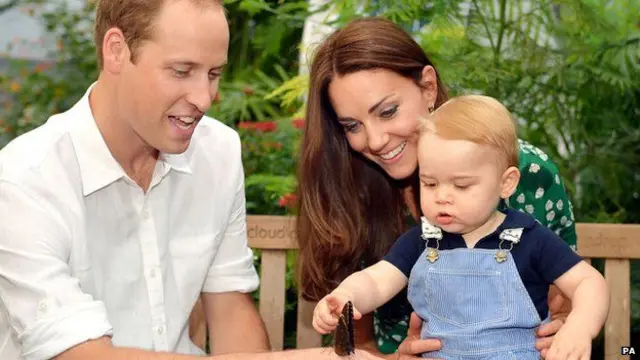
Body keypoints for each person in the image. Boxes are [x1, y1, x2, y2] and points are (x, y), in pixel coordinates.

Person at [0, 1, 385, 360]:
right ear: (116, 50)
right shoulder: (24, 179)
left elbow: (229, 307)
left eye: (214, 73)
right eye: (182, 71)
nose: (204, 97)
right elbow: (80, 354)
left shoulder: (217, 151)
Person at [296, 17, 579, 359]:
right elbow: (360, 341)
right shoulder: (349, 185)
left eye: (387, 111)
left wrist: (568, 323)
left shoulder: (521, 170)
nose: (374, 140)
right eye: (352, 125)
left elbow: (567, 298)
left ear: (428, 87)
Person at [312, 95, 609, 360]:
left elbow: (588, 283)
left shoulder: (528, 239)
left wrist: (579, 328)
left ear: (506, 183)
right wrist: (346, 296)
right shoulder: (423, 241)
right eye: (429, 183)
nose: (442, 196)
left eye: (461, 185)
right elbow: (376, 281)